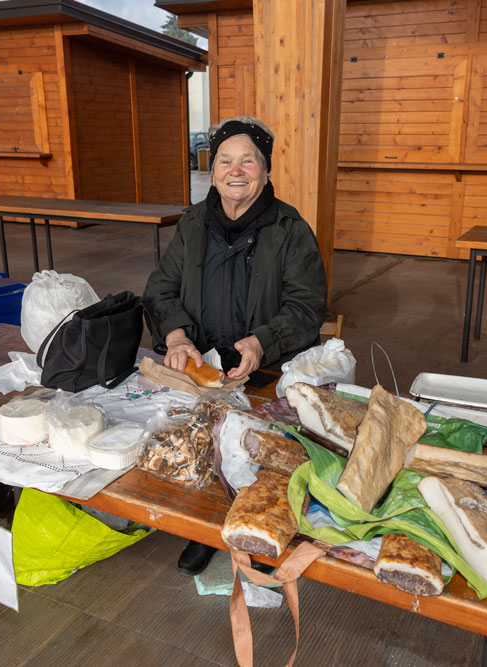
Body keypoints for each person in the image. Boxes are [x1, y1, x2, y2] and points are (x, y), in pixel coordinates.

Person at [143, 116, 328, 574]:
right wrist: (177, 335)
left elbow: (307, 307)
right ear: (213, 171)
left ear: (265, 170)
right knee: (194, 442)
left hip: (264, 371)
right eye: (225, 160)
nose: (236, 171)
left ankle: (261, 526)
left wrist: (263, 342)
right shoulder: (193, 223)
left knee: (261, 452)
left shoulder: (290, 228)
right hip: (200, 370)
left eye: (248, 161)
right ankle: (207, 526)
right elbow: (161, 289)